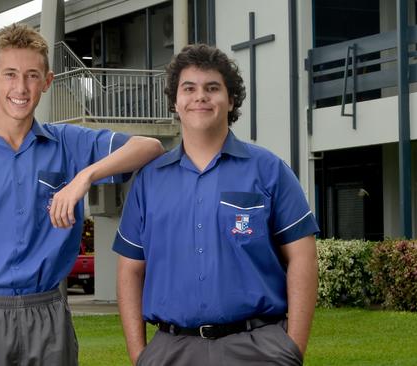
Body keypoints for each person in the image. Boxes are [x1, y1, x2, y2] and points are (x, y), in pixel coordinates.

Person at [0, 23, 163, 366]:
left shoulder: (69, 143)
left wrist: (85, 176)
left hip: (48, 316)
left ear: (47, 81)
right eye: (10, 74)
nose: (21, 87)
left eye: (31, 75)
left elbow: (151, 146)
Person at [113, 44, 319, 366]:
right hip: (170, 351)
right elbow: (130, 270)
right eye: (189, 88)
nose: (201, 97)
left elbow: (303, 257)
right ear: (175, 101)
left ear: (231, 100)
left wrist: (291, 349)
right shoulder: (149, 181)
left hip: (257, 349)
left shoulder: (269, 170)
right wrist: (141, 356)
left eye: (212, 88)